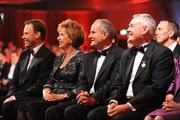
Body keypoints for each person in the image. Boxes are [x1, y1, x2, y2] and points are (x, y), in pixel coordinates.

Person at [86, 13, 175, 120]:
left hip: (145, 105)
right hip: (123, 102)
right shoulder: (126, 53)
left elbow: (156, 88)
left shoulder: (162, 53)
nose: (128, 30)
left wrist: (128, 106)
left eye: (131, 26)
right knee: (94, 115)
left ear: (145, 29)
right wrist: (114, 101)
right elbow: (118, 82)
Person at [16, 19, 85, 120]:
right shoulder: (59, 58)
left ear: (71, 38)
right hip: (52, 97)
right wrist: (46, 90)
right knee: (24, 105)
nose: (58, 38)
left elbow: (81, 84)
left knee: (41, 109)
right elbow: (50, 80)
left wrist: (61, 96)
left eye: (61, 35)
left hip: (68, 99)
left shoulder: (82, 58)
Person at [63, 19, 124, 120]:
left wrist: (94, 98)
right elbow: (82, 80)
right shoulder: (88, 56)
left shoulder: (120, 54)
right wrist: (81, 94)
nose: (89, 36)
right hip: (86, 99)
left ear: (104, 35)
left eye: (93, 32)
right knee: (55, 111)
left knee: (89, 114)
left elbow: (112, 82)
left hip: (104, 99)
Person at [2, 19, 56, 120]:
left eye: (26, 33)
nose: (23, 37)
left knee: (9, 106)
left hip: (33, 97)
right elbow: (14, 81)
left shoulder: (48, 56)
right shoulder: (23, 54)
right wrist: (10, 95)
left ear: (37, 34)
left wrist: (15, 97)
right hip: (18, 95)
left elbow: (39, 86)